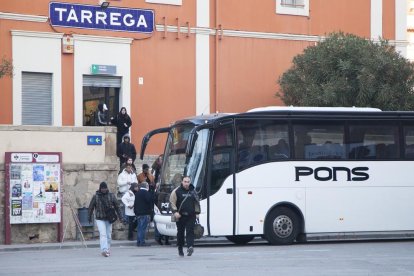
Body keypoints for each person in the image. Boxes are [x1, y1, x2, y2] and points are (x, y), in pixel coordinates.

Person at [88, 182, 122, 257]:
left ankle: (107, 248)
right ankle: (104, 249)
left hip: (109, 218)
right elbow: (91, 207)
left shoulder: (111, 196)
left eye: (105, 188)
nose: (103, 189)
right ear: (100, 188)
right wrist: (89, 217)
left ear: (107, 188)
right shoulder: (96, 196)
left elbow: (117, 207)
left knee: (108, 235)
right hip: (99, 218)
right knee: (103, 234)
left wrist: (121, 217)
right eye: (102, 188)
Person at [169, 176, 200, 257]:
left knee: (190, 231)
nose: (187, 183)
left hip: (191, 216)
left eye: (188, 182)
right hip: (180, 216)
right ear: (182, 182)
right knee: (180, 233)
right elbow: (172, 202)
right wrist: (175, 212)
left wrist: (197, 213)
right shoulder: (176, 191)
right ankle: (180, 248)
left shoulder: (193, 191)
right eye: (185, 181)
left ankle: (190, 247)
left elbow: (196, 202)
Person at [134, 182, 154, 246]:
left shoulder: (137, 193)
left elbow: (135, 203)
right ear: (146, 186)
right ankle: (142, 242)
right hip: (144, 213)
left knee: (139, 228)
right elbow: (149, 201)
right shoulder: (146, 193)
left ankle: (138, 241)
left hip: (138, 213)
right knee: (143, 228)